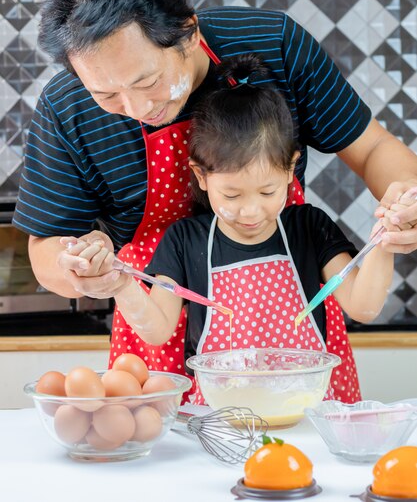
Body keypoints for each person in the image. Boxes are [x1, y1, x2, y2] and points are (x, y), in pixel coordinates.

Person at [13, 0, 417, 377]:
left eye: (147, 81)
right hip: (155, 326)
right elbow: (45, 247)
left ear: (188, 33)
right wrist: (81, 269)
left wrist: (406, 206)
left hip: (290, 329)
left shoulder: (275, 44)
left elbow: (373, 148)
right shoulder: (66, 107)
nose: (136, 109)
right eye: (106, 94)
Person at [61, 54, 402, 403]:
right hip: (219, 416)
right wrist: (121, 285)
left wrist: (385, 242)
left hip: (305, 409)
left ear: (290, 170)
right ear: (201, 176)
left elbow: (364, 306)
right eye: (232, 194)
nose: (251, 210)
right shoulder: (184, 241)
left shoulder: (308, 227)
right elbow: (157, 329)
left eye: (268, 191)